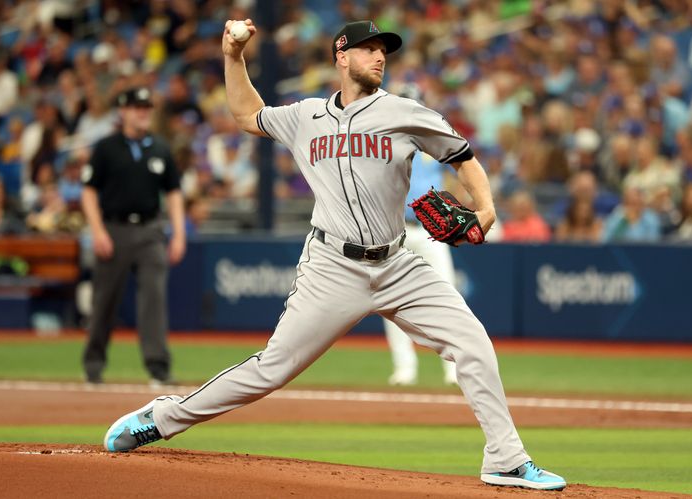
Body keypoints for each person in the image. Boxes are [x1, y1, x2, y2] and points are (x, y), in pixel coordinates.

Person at [102, 20, 566, 491]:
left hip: (397, 263)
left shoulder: (406, 112)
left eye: (384, 50)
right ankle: (161, 418)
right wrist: (233, 57)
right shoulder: (306, 116)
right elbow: (247, 115)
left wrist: (485, 207)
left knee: (472, 343)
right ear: (341, 57)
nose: (380, 57)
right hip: (332, 266)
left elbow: (462, 157)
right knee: (272, 369)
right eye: (368, 49)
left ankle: (506, 459)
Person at [81, 86, 186, 386]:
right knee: (105, 301)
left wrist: (179, 233)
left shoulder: (160, 148)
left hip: (151, 230)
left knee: (153, 299)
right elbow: (88, 191)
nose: (143, 113)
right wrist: (97, 230)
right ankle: (93, 366)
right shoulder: (106, 147)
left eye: (147, 107)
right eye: (137, 107)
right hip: (113, 230)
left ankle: (158, 369)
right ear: (123, 111)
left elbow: (174, 193)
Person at [383, 149, 458, 386]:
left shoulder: (432, 141)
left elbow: (462, 169)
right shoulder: (391, 142)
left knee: (447, 298)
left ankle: (454, 369)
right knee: (391, 300)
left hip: (430, 228)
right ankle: (404, 368)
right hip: (396, 227)